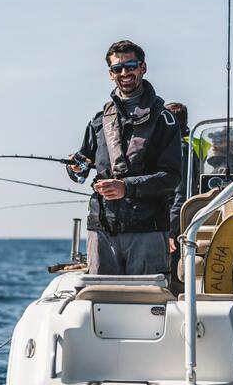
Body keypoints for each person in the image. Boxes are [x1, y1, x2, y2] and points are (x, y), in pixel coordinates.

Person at [67, 40, 182, 275]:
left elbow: (171, 177)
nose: (124, 73)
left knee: (147, 304)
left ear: (143, 67)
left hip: (148, 232)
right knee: (100, 301)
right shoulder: (99, 121)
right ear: (111, 74)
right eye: (117, 69)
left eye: (130, 65)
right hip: (101, 230)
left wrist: (125, 187)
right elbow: (82, 162)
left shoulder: (165, 120)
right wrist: (75, 169)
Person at [165, 102, 195, 295]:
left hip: (177, 225)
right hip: (182, 222)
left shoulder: (180, 149)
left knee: (174, 280)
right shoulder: (189, 145)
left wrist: (168, 230)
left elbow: (181, 194)